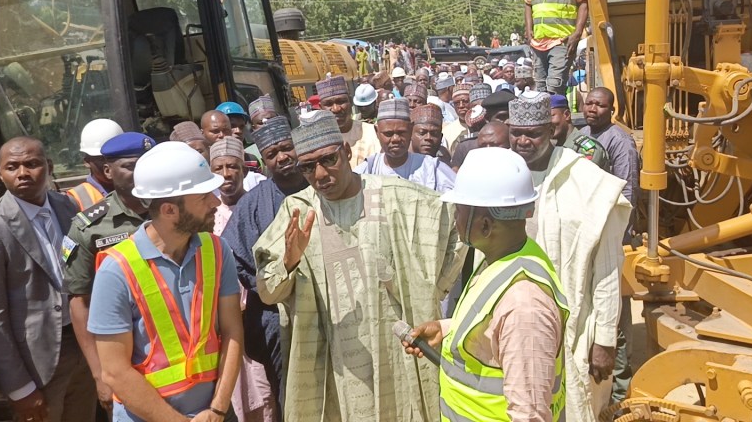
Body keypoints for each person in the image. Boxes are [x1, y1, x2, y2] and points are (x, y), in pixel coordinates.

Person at [252, 110, 464, 421]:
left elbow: (457, 230)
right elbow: (268, 292)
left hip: (397, 354)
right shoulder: (298, 210)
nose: (321, 174)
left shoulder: (399, 198)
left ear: (347, 152)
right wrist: (290, 259)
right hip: (335, 365)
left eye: (329, 160)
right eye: (308, 167)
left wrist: (432, 288)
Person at [404, 148, 569, 422]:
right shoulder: (504, 259)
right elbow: (491, 327)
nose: (455, 220)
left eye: (459, 210)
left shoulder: (525, 307)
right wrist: (446, 329)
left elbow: (529, 414)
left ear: (484, 225)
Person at [89, 142, 243, 421]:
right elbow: (114, 371)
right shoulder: (116, 270)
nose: (216, 202)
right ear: (170, 210)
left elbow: (232, 332)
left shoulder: (218, 251)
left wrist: (218, 409)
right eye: (204, 196)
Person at [507, 92, 630, 421]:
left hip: (573, 324)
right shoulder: (501, 177)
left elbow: (607, 268)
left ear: (551, 130)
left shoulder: (586, 181)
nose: (522, 140)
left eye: (532, 133)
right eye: (516, 132)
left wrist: (604, 339)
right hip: (514, 323)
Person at [0, 137, 96, 422]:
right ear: (0, 173)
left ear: (48, 167)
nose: (22, 173)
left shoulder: (66, 208)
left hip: (83, 348)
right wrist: (19, 388)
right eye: (12, 167)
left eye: (32, 164)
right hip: (37, 364)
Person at [221, 117, 308, 412]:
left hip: (329, 308)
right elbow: (234, 257)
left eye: (287, 148)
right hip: (276, 317)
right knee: (290, 395)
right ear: (264, 160)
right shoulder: (253, 204)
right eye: (272, 154)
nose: (282, 157)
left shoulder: (322, 188)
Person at [65, 132, 154, 414]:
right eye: (130, 166)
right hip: (119, 352)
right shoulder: (89, 227)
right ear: (107, 170)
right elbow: (80, 301)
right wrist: (98, 373)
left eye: (146, 164)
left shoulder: (172, 209)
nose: (140, 173)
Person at [210, 137, 278, 422]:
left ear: (244, 170)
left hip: (255, 318)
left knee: (266, 396)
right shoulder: (207, 214)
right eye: (219, 168)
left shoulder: (259, 207)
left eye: (233, 167)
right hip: (221, 327)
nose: (227, 174)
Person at [355, 99, 456, 193]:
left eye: (401, 133)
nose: (395, 139)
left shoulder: (431, 168)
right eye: (388, 134)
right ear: (377, 133)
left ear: (411, 130)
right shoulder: (369, 169)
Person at [581, 87, 639, 225]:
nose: (592, 109)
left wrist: (620, 227)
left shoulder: (620, 141)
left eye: (600, 105)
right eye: (589, 103)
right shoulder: (582, 134)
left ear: (611, 111)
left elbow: (628, 188)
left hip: (608, 219)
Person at [316, 76, 380, 167]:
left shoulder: (372, 133)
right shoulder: (318, 141)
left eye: (341, 101)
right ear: (321, 108)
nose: (336, 109)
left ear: (350, 102)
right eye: (329, 104)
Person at [67, 118, 123, 210]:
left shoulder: (137, 188)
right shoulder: (76, 198)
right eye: (102, 159)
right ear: (87, 162)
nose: (109, 165)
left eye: (115, 157)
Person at [550, 94, 609, 170]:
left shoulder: (586, 148)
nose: (546, 123)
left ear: (567, 115)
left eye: (550, 116)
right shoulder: (555, 147)